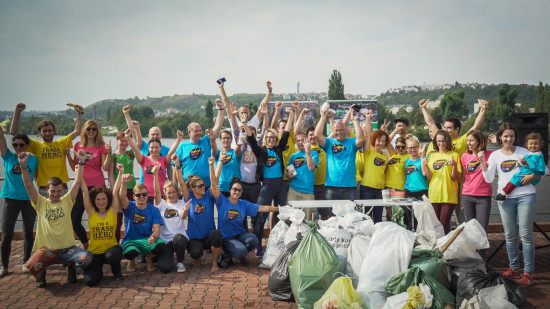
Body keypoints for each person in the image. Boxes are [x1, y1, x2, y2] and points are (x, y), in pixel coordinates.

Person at [481, 123, 546, 287]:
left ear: (515, 137)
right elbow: (489, 179)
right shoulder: (495, 155)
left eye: (511, 136)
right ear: (500, 137)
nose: (508, 139)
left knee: (526, 235)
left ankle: (528, 273)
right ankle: (514, 268)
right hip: (505, 198)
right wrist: (482, 161)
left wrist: (531, 177)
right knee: (510, 235)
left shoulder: (525, 151)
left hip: (526, 196)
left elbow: (543, 170)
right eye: (505, 136)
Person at [21, 150, 92, 288]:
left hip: (67, 249)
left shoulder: (67, 201)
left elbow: (77, 181)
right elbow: (29, 186)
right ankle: (41, 277)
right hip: (47, 250)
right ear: (47, 190)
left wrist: (81, 161)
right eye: (52, 191)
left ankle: (71, 268)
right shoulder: (40, 203)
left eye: (59, 191)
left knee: (87, 257)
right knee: (30, 265)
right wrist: (23, 166)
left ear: (63, 190)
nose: (56, 194)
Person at [419, 98, 488, 225]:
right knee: (441, 220)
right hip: (439, 187)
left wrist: (482, 109)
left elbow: (475, 127)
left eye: (449, 128)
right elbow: (431, 124)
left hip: (457, 185)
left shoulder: (462, 141)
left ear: (457, 129)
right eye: (445, 127)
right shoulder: (440, 138)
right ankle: (447, 242)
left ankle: (467, 240)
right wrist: (424, 108)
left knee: (461, 217)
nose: (446, 130)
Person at [209, 155, 279, 266]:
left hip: (240, 234)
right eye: (234, 189)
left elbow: (263, 208)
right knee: (241, 251)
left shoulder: (243, 204)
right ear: (230, 190)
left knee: (254, 240)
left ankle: (238, 252)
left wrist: (280, 208)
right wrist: (212, 165)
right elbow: (213, 184)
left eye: (239, 190)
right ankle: (228, 251)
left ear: (242, 192)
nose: (237, 192)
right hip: (227, 237)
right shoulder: (222, 200)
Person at [243, 106, 293, 257]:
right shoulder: (261, 151)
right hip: (267, 186)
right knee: (261, 216)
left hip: (280, 185)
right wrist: (245, 123)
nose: (271, 140)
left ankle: (279, 243)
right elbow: (251, 139)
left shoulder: (279, 149)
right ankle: (258, 244)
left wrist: (291, 114)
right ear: (265, 139)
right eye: (268, 137)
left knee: (282, 215)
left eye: (273, 138)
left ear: (276, 139)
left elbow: (287, 132)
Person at [10, 102, 84, 197]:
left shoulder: (61, 142)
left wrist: (80, 113)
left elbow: (77, 131)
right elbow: (14, 132)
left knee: (64, 212)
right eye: (44, 131)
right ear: (39, 133)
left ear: (54, 131)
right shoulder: (36, 145)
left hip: (62, 188)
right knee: (44, 213)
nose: (47, 133)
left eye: (50, 130)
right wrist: (17, 112)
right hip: (44, 188)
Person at [173, 154, 222, 272]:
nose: (203, 187)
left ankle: (214, 262)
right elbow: (180, 182)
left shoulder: (208, 196)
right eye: (200, 186)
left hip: (208, 236)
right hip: (195, 238)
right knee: (196, 255)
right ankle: (197, 256)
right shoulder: (189, 197)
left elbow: (215, 181)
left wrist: (212, 165)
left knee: (217, 234)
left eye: (203, 185)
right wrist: (177, 165)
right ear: (193, 188)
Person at [0, 127, 38, 277]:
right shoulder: (8, 156)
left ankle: (25, 262)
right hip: (10, 199)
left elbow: (36, 177)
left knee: (28, 233)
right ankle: (4, 266)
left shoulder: (33, 159)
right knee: (7, 235)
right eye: (15, 144)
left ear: (27, 145)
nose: (18, 147)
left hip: (29, 200)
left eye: (21, 145)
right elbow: (1, 140)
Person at [314, 107, 365, 210]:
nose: (339, 132)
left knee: (350, 218)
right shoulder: (329, 143)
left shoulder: (351, 142)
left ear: (345, 131)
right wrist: (323, 116)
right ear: (333, 131)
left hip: (349, 187)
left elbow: (361, 139)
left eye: (341, 130)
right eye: (336, 130)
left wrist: (355, 121)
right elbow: (317, 135)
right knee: (332, 218)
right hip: (331, 187)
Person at [81, 165, 124, 286]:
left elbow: (115, 190)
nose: (101, 202)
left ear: (108, 199)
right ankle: (96, 269)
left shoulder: (113, 211)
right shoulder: (91, 212)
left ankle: (117, 272)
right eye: (98, 199)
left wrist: (120, 173)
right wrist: (80, 172)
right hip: (95, 252)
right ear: (94, 201)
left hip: (111, 250)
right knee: (90, 281)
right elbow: (85, 191)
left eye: (103, 199)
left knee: (113, 255)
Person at [71, 119, 111, 249]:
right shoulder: (77, 145)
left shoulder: (102, 146)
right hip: (80, 186)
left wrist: (109, 152)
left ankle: (98, 246)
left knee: (98, 219)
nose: (91, 131)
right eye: (88, 129)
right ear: (84, 131)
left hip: (97, 187)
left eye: (94, 129)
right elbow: (74, 167)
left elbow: (105, 168)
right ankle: (86, 245)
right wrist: (67, 153)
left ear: (97, 131)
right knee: (75, 219)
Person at [119, 175, 166, 272]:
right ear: (133, 197)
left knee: (161, 246)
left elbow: (157, 229)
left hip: (147, 240)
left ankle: (149, 258)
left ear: (147, 195)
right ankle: (131, 260)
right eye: (138, 195)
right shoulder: (130, 207)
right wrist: (124, 183)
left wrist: (154, 237)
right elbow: (122, 197)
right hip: (131, 240)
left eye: (144, 194)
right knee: (130, 252)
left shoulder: (154, 210)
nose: (141, 197)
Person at [175, 100, 225, 187]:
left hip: (206, 186)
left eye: (200, 130)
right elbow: (176, 169)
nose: (199, 133)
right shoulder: (182, 147)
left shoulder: (206, 140)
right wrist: (175, 187)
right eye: (196, 131)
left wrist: (220, 109)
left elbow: (218, 125)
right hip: (189, 187)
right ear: (189, 132)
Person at [126, 129, 182, 204]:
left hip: (162, 194)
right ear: (148, 148)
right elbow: (135, 149)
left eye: (156, 147)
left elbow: (171, 151)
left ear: (160, 148)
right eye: (152, 147)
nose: (154, 149)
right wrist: (128, 138)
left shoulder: (164, 160)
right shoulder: (143, 160)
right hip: (147, 195)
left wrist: (178, 139)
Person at [152, 163, 190, 274]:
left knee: (178, 239)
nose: (172, 194)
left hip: (180, 239)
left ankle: (180, 261)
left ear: (177, 192)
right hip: (165, 241)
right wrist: (155, 175)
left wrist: (185, 210)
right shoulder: (161, 204)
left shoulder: (181, 203)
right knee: (165, 268)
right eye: (169, 192)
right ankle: (164, 259)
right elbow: (156, 192)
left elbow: (183, 216)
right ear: (165, 193)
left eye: (174, 192)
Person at [422, 130, 461, 235]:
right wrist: (425, 165)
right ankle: (437, 246)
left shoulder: (454, 155)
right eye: (439, 141)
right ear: (435, 142)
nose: (441, 143)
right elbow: (430, 176)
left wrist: (454, 165)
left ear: (447, 141)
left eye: (443, 140)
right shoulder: (432, 156)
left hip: (449, 194)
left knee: (444, 222)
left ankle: (445, 247)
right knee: (435, 223)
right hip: (434, 194)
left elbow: (455, 177)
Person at [357, 114, 393, 223]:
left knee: (378, 218)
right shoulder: (368, 151)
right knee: (366, 217)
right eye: (378, 140)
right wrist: (368, 118)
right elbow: (367, 134)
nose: (381, 143)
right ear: (374, 140)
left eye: (383, 141)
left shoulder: (385, 156)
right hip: (367, 188)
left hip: (380, 190)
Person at [122, 105, 174, 183]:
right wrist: (126, 114)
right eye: (153, 134)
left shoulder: (167, 150)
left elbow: (169, 169)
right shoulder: (143, 146)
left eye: (157, 134)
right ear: (148, 136)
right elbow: (133, 131)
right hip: (144, 184)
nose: (155, 136)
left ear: (161, 135)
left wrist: (172, 184)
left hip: (161, 185)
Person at [496, 132, 546, 200]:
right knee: (515, 177)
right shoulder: (530, 154)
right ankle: (504, 193)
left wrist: (527, 164)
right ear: (527, 145)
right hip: (529, 173)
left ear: (540, 145)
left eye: (536, 144)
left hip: (533, 175)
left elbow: (541, 169)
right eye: (531, 144)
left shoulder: (538, 156)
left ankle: (503, 193)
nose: (533, 146)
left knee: (516, 178)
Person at [460, 129, 493, 233]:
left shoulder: (491, 155)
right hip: (467, 195)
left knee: (482, 228)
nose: (468, 143)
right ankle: (473, 250)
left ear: (479, 141)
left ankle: (481, 250)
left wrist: (497, 141)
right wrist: (461, 197)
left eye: (472, 140)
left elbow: (506, 150)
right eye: (467, 140)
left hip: (483, 196)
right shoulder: (465, 156)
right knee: (471, 229)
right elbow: (463, 178)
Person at [108, 130, 136, 242]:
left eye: (126, 141)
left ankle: (129, 243)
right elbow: (110, 175)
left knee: (129, 218)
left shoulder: (130, 154)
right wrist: (115, 191)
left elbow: (138, 144)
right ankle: (115, 244)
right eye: (121, 140)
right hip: (117, 190)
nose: (124, 143)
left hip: (130, 189)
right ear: (117, 140)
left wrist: (131, 134)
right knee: (117, 219)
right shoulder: (113, 156)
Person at [286, 132, 319, 221]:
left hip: (308, 191)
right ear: (296, 142)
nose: (301, 142)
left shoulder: (314, 154)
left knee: (307, 219)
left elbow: (311, 167)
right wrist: (289, 175)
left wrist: (307, 151)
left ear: (306, 140)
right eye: (298, 140)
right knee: (292, 218)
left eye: (302, 140)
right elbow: (289, 172)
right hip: (294, 189)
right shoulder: (293, 156)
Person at [305, 126, 327, 219]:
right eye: (310, 135)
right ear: (307, 137)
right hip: (308, 185)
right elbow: (293, 163)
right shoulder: (304, 149)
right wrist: (291, 175)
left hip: (322, 185)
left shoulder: (324, 147)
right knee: (310, 213)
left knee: (324, 212)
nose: (313, 137)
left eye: (314, 134)